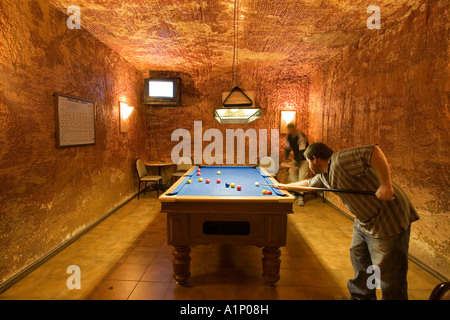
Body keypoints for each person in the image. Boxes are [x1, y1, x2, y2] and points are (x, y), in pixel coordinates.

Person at [275, 142, 419, 300]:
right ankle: (360, 297)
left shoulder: (339, 160)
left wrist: (386, 185)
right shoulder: (324, 175)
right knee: (359, 258)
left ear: (314, 159)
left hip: (389, 217)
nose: (308, 166)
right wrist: (285, 186)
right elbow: (309, 185)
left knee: (388, 274)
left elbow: (373, 151)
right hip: (365, 220)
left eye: (308, 162)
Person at [284, 123, 309, 206]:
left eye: (291, 129)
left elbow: (302, 152)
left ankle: (301, 196)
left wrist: (295, 164)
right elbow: (287, 149)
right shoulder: (288, 136)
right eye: (289, 129)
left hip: (305, 158)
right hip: (297, 157)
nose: (290, 131)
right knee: (292, 173)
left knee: (302, 177)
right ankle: (295, 193)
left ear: (295, 129)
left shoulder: (301, 136)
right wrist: (286, 159)